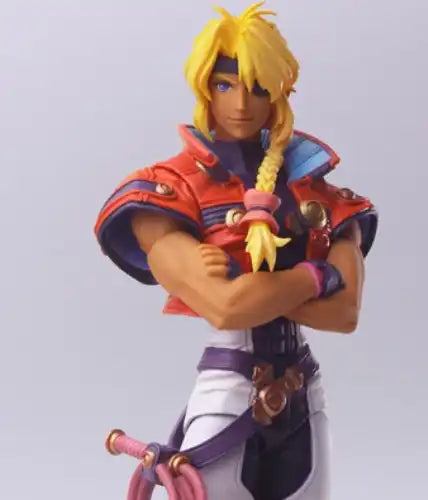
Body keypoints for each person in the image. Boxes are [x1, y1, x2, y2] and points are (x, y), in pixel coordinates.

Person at [94, 2, 377, 499]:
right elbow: (226, 309)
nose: (242, 103)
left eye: (259, 87)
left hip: (304, 393)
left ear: (279, 92)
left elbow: (345, 313)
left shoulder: (319, 193)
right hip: (228, 390)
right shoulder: (167, 191)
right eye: (226, 85)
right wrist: (314, 276)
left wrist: (253, 285)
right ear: (205, 87)